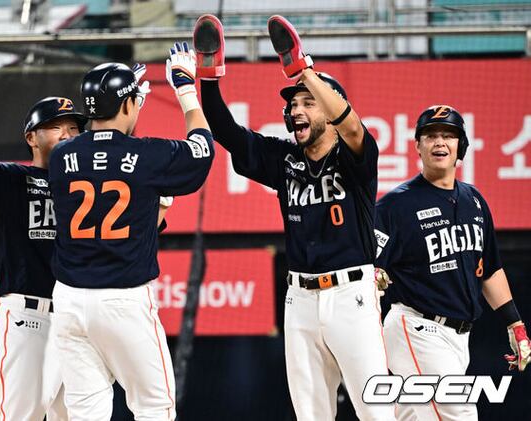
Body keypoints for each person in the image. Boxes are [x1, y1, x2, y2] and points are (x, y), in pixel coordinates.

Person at [194, 14, 395, 421]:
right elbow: (226, 131)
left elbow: (352, 127)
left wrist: (303, 70)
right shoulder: (284, 158)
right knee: (310, 414)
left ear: (330, 111)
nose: (296, 110)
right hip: (299, 299)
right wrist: (209, 75)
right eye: (292, 104)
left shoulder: (355, 157)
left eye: (307, 102)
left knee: (376, 412)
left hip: (351, 297)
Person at [48, 43, 214, 421]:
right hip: (123, 300)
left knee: (86, 413)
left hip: (70, 302)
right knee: (155, 409)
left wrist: (127, 103)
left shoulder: (61, 157)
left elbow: (104, 167)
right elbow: (202, 150)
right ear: (125, 105)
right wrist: (186, 89)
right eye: (134, 101)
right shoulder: (148, 155)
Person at [0, 55, 86, 420]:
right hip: (31, 318)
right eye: (56, 127)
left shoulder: (85, 189)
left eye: (74, 129)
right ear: (31, 137)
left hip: (78, 320)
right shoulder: (12, 179)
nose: (67, 134)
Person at [375, 105, 531, 420]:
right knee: (459, 414)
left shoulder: (474, 200)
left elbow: (489, 269)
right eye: (430, 135)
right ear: (417, 146)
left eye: (448, 135)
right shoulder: (395, 205)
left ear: (462, 146)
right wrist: (374, 274)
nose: (440, 142)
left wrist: (515, 324)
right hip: (416, 328)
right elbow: (365, 266)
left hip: (458, 338)